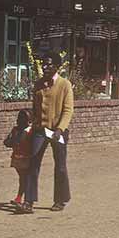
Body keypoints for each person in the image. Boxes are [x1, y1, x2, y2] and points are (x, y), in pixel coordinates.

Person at [20, 52, 74, 214]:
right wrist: (33, 124)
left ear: (57, 67)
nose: (45, 67)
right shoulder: (38, 85)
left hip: (58, 132)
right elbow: (35, 107)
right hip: (40, 131)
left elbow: (68, 110)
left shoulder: (65, 85)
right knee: (33, 163)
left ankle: (60, 199)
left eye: (49, 64)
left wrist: (59, 129)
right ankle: (28, 201)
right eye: (43, 64)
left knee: (60, 166)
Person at [3, 108, 33, 207]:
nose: (20, 121)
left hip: (26, 158)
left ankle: (22, 199)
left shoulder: (30, 131)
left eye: (23, 119)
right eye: (19, 118)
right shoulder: (15, 130)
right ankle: (20, 198)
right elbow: (7, 142)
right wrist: (12, 142)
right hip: (17, 158)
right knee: (22, 178)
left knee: (24, 178)